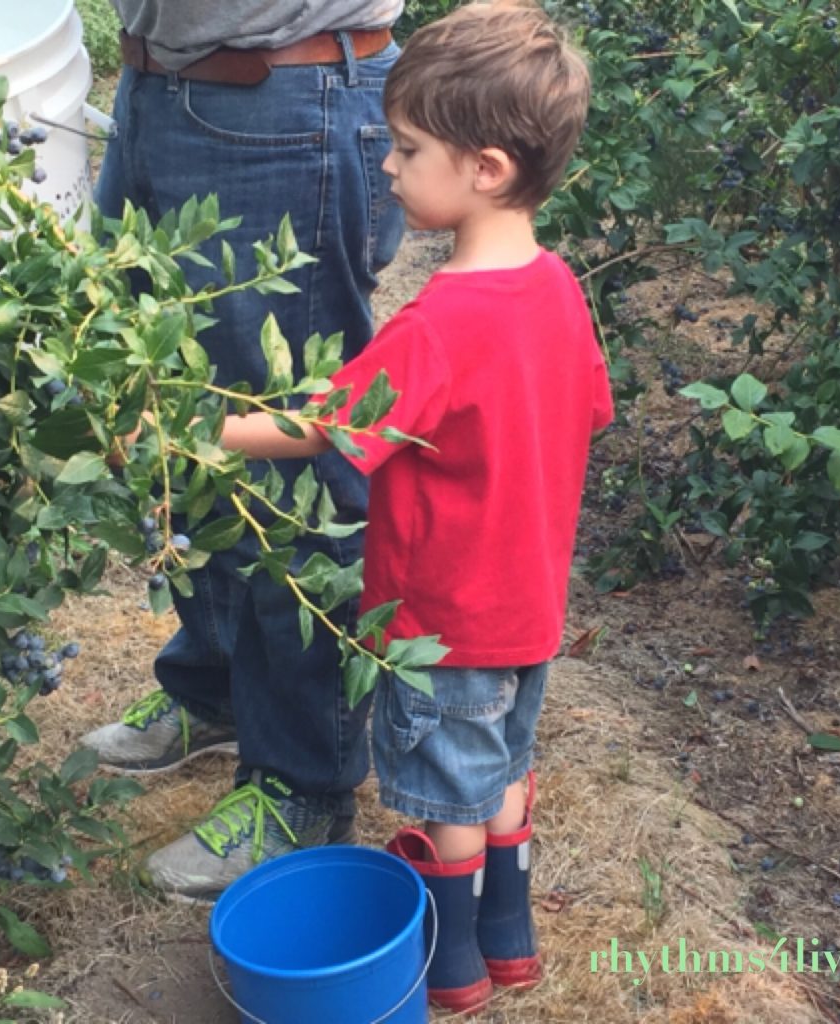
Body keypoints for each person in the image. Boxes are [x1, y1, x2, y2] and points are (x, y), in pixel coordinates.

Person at [214, 1, 612, 1010]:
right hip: (527, 607)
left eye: (404, 148)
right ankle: (510, 941)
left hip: (443, 622)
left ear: (483, 168)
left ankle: (452, 968)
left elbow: (325, 429)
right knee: (503, 770)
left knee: (444, 802)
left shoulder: (439, 322)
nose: (386, 166)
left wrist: (205, 432)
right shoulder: (558, 286)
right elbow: (585, 408)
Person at [79, 1, 406, 901]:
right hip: (157, 84)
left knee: (284, 451)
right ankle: (217, 678)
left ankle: (303, 782)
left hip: (282, 92)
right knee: (171, 410)